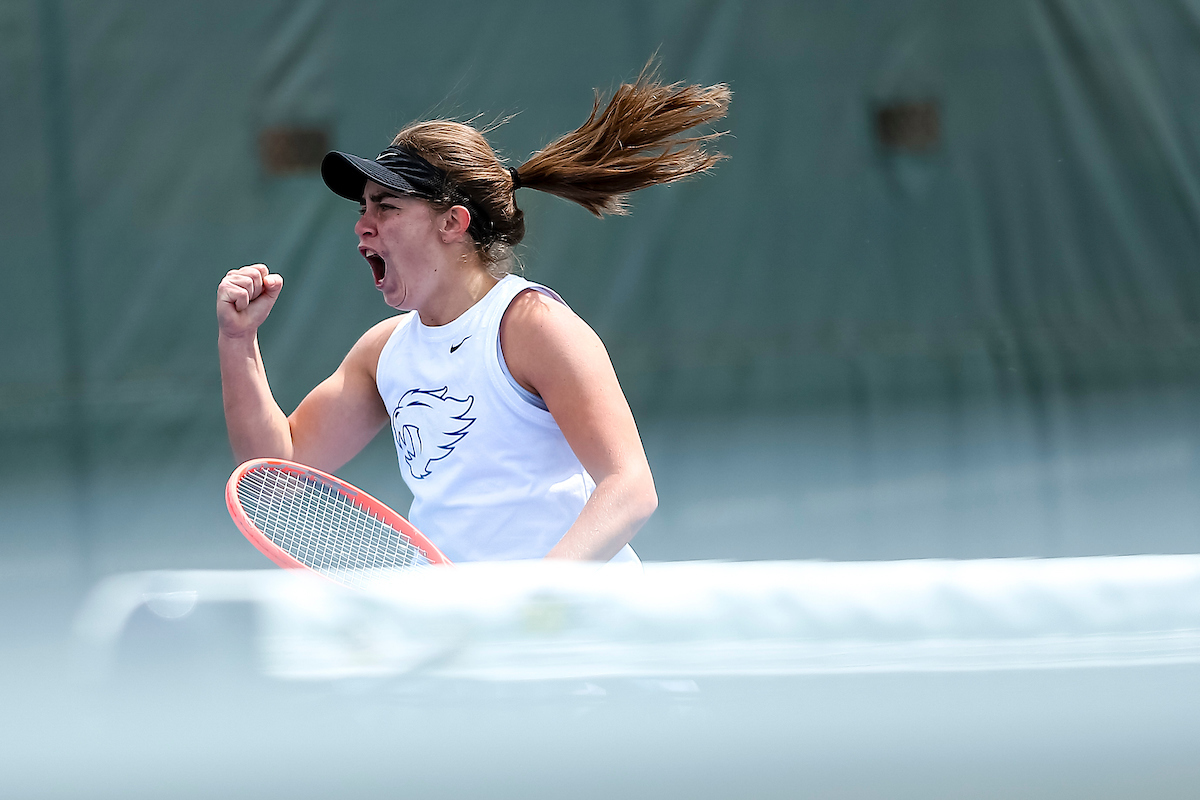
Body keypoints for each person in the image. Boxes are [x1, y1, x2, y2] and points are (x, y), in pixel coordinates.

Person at [216, 65, 730, 563]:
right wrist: (238, 341)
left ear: (453, 222)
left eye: (386, 207)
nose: (363, 226)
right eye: (362, 209)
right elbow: (276, 472)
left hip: (577, 627)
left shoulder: (532, 327)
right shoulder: (383, 352)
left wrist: (536, 597)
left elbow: (630, 487)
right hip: (474, 628)